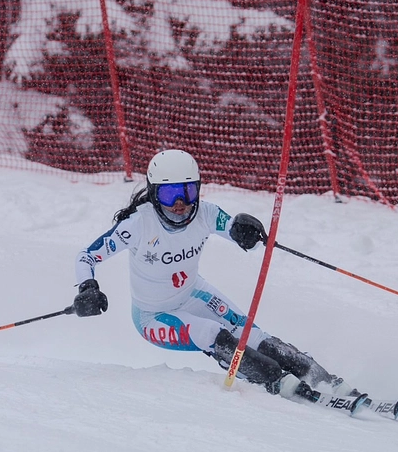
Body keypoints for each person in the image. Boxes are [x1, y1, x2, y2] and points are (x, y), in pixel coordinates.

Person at [71, 148, 360, 403]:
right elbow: (87, 256)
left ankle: (324, 379)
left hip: (194, 295)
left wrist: (245, 230)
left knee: (253, 335)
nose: (180, 204)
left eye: (188, 192)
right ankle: (276, 380)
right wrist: (87, 288)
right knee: (212, 334)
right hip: (153, 317)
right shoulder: (138, 224)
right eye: (169, 194)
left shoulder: (205, 213)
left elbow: (232, 227)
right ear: (154, 193)